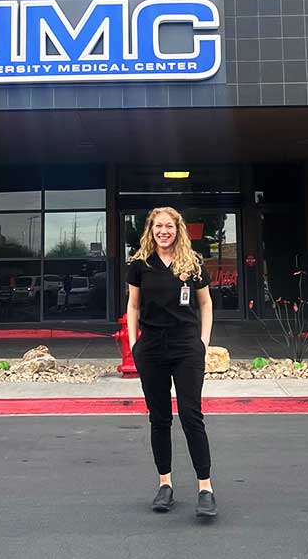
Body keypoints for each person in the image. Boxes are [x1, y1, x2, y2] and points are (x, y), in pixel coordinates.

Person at [126, 207, 216, 517]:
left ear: (178, 230)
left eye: (169, 226)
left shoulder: (193, 264)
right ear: (150, 230)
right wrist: (134, 344)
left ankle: (205, 488)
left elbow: (205, 304)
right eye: (158, 226)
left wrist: (202, 343)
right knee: (159, 418)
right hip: (152, 348)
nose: (164, 231)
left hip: (185, 347)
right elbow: (133, 306)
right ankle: (165, 484)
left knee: (192, 415)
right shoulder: (140, 265)